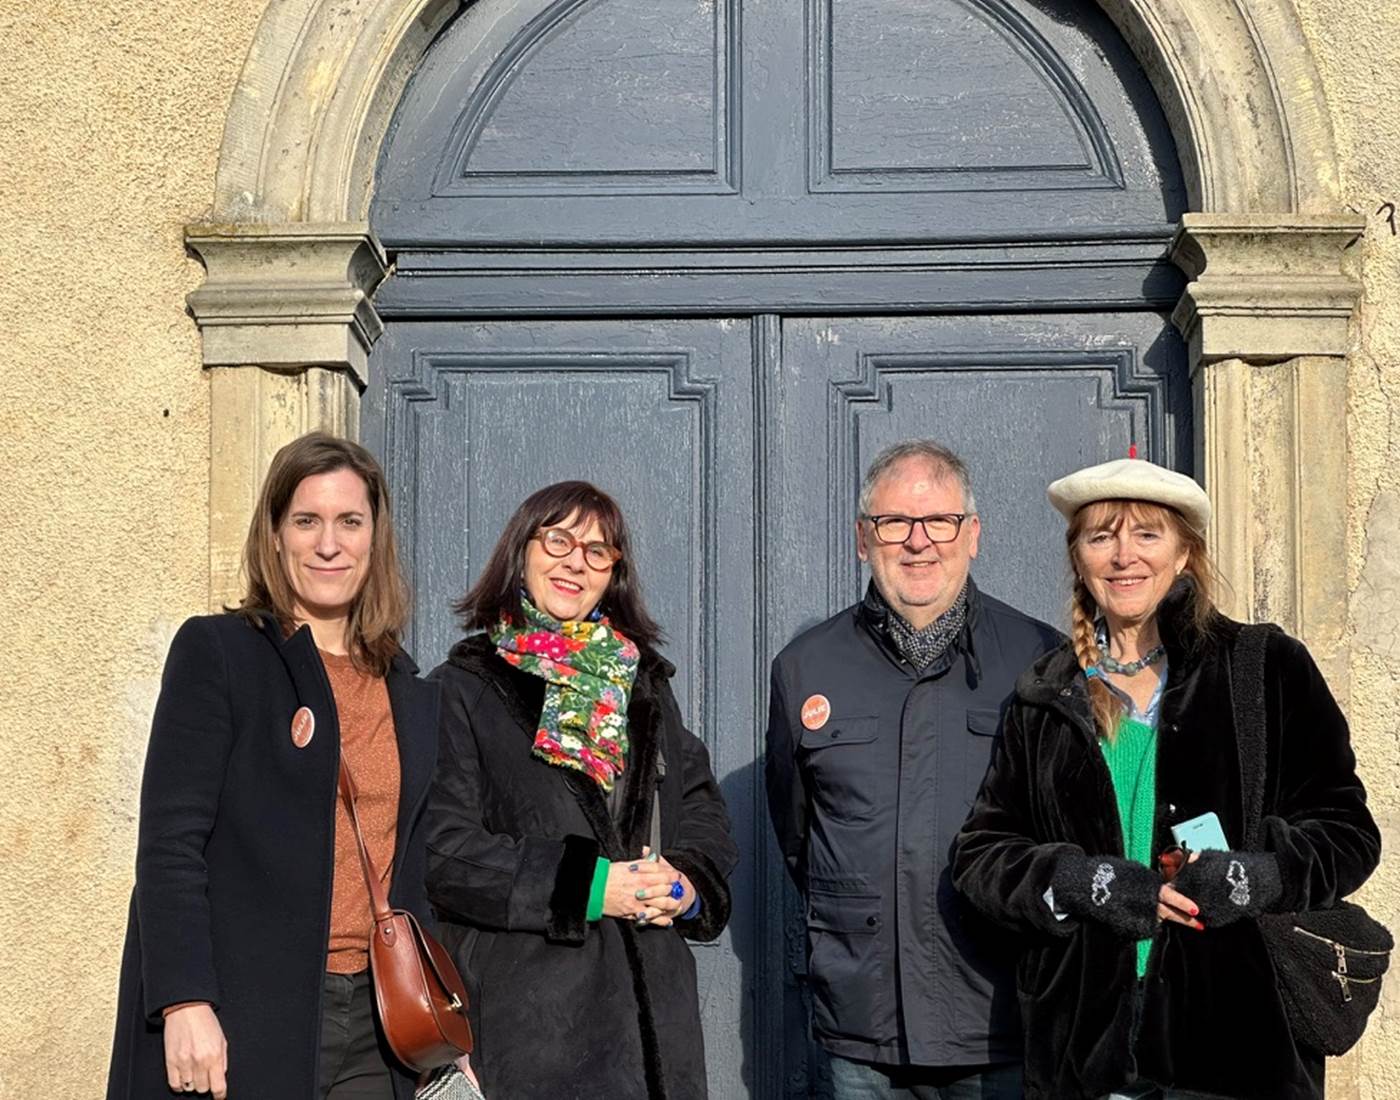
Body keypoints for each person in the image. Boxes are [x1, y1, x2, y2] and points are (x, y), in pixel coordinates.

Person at [951, 456, 1382, 1100]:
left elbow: (1348, 833)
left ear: (1184, 553)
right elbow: (982, 857)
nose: (1124, 556)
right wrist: (1083, 882)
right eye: (1102, 537)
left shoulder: (1263, 668)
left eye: (1147, 534)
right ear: (1079, 559)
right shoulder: (1045, 694)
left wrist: (1251, 877)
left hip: (1237, 1040)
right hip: (1085, 1048)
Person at [107, 433, 446, 1100]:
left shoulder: (409, 689)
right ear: (275, 533)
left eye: (350, 522)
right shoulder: (222, 654)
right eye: (307, 521)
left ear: (375, 538)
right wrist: (184, 1001)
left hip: (378, 1027)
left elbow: (420, 867)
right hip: (242, 1014)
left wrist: (440, 1021)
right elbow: (171, 845)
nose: (329, 544)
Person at [764, 440, 1062, 1099]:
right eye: (894, 522)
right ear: (862, 538)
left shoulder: (1041, 658)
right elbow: (798, 834)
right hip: (861, 1023)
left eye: (941, 521)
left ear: (973, 534)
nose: (918, 541)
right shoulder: (805, 667)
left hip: (997, 1012)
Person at [426, 480, 738, 1100]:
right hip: (535, 1026)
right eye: (560, 540)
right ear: (522, 550)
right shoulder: (461, 689)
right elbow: (445, 852)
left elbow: (701, 805)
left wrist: (685, 884)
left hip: (656, 1032)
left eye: (599, 552)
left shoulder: (641, 683)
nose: (576, 561)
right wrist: (591, 887)